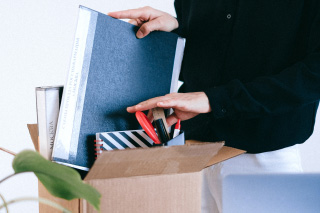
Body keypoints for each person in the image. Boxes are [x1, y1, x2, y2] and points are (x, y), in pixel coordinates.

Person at [109, 1, 320, 212]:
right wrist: (174, 30)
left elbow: (314, 76)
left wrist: (216, 100)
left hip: (262, 160)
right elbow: (211, 51)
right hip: (188, 152)